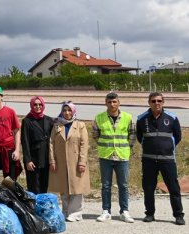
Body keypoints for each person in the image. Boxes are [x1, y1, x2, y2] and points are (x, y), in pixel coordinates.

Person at [136, 92, 184, 225]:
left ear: (163, 102)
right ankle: (150, 214)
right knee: (148, 188)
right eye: (153, 101)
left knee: (173, 188)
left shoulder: (172, 117)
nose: (156, 103)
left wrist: (166, 147)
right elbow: (141, 138)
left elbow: (178, 137)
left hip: (167, 159)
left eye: (159, 101)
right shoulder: (141, 119)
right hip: (149, 160)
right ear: (149, 103)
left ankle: (178, 215)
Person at [91, 92, 135, 223]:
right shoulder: (99, 117)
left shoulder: (128, 117)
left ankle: (124, 211)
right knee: (105, 185)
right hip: (106, 155)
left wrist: (128, 148)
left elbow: (132, 134)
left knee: (124, 185)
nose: (112, 104)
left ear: (119, 103)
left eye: (114, 102)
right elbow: (95, 134)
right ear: (106, 103)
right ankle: (106, 211)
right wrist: (104, 145)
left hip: (122, 156)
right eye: (109, 102)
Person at [48, 101, 90, 222]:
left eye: (69, 110)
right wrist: (52, 160)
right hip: (61, 161)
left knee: (77, 187)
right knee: (64, 187)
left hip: (76, 161)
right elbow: (51, 143)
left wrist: (82, 161)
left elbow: (84, 144)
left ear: (73, 111)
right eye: (64, 110)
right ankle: (65, 210)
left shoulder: (80, 125)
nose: (67, 113)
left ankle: (76, 212)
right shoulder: (57, 125)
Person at [20, 96, 54, 194]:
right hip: (33, 158)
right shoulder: (27, 121)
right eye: (35, 104)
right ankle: (33, 207)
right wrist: (28, 160)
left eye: (40, 104)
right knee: (34, 186)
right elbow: (25, 141)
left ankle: (43, 206)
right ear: (31, 105)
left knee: (45, 185)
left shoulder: (49, 120)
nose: (38, 106)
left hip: (46, 157)